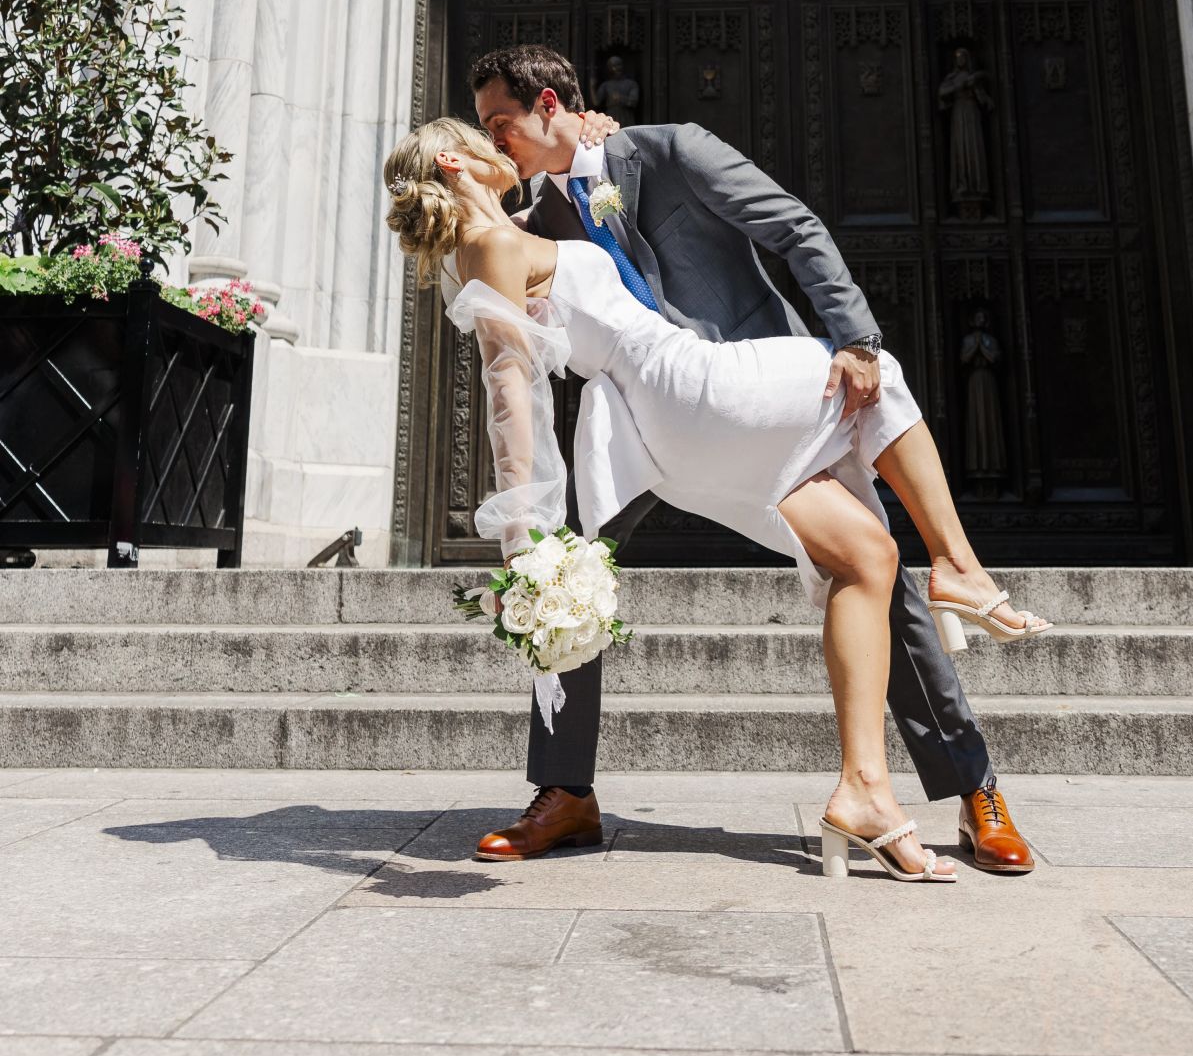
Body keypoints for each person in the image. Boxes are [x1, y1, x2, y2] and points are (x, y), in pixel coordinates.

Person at [386, 45, 1048, 877]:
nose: (499, 142)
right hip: (632, 419)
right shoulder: (525, 218)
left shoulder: (666, 150)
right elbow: (491, 290)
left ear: (550, 104)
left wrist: (853, 340)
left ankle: (972, 788)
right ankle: (564, 793)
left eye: (503, 125)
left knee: (875, 568)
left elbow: (793, 228)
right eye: (485, 132)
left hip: (746, 387)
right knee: (564, 575)